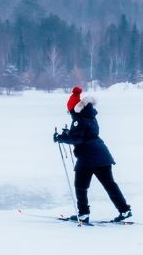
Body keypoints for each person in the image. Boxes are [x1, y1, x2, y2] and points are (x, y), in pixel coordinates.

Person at [54, 86, 132, 224]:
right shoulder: (90, 116)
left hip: (88, 157)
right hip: (102, 154)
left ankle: (83, 214)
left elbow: (78, 138)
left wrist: (61, 138)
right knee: (109, 184)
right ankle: (124, 210)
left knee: (80, 185)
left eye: (70, 110)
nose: (70, 113)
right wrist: (68, 134)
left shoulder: (79, 119)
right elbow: (86, 135)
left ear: (74, 108)